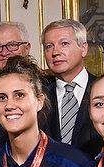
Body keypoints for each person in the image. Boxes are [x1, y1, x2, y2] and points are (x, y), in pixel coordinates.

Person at [41, 18, 97, 153]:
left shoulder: (102, 89)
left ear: (83, 48)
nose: (55, 52)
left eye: (64, 43)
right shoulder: (39, 95)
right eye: (49, 46)